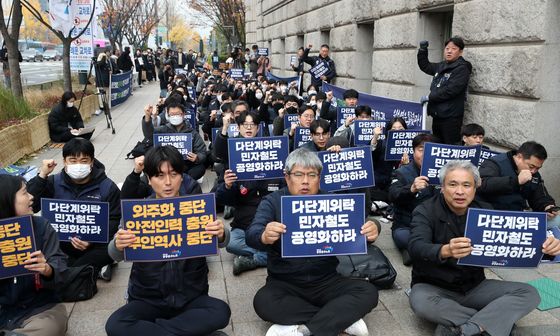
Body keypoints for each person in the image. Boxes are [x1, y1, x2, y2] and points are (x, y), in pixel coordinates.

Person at [408, 160, 560, 336]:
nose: (459, 191)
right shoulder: (425, 210)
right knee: (420, 303)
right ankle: (492, 324)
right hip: (433, 286)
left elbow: (514, 241)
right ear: (442, 187)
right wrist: (445, 250)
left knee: (529, 293)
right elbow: (416, 246)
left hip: (475, 286)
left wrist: (548, 248)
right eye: (452, 184)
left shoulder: (485, 210)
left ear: (475, 187)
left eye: (466, 185)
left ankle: (466, 329)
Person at [246, 148, 379, 336]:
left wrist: (374, 227)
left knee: (368, 292)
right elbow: (251, 234)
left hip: (327, 281)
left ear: (320, 177)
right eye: (298, 175)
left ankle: (304, 329)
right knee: (263, 301)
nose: (305, 181)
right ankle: (340, 321)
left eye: (312, 175)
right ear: (287, 177)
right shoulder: (272, 201)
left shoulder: (331, 200)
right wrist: (263, 236)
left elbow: (363, 223)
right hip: (285, 282)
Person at [105, 146, 231, 336]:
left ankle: (157, 331)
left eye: (173, 174)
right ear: (149, 179)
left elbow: (223, 241)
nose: (168, 183)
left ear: (182, 176)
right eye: (159, 176)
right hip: (147, 300)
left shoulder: (196, 207)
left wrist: (221, 233)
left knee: (221, 312)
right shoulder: (138, 212)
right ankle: (187, 331)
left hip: (191, 297)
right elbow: (114, 254)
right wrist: (118, 244)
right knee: (115, 325)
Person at [27, 138, 121, 281]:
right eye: (73, 160)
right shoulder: (52, 182)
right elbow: (31, 205)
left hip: (94, 246)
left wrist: (92, 240)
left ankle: (71, 270)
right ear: (64, 161)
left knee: (111, 249)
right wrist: (42, 175)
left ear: (92, 162)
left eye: (84, 161)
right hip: (60, 245)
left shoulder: (107, 187)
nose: (78, 165)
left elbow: (115, 220)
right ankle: (88, 269)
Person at [0, 175, 68, 336]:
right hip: (3, 310)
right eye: (25, 193)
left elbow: (60, 269)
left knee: (50, 327)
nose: (32, 197)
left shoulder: (41, 226)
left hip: (39, 309)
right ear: (6, 199)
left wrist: (47, 270)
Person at [477, 141, 558, 225]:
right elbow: (483, 184)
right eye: (531, 166)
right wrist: (516, 181)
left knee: (556, 221)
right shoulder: (495, 163)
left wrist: (547, 206)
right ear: (519, 157)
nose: (533, 171)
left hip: (518, 217)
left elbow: (539, 195)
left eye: (538, 168)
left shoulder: (534, 174)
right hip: (491, 214)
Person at [388, 133, 438, 265]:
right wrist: (411, 189)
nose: (425, 154)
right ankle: (425, 251)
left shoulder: (446, 174)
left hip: (436, 226)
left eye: (430, 150)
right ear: (413, 151)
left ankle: (416, 251)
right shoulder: (402, 172)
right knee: (402, 236)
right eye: (421, 150)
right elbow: (393, 195)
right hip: (408, 225)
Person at [418, 36, 472, 145]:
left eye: (453, 49)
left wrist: (430, 97)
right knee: (437, 144)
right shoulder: (442, 65)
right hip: (437, 115)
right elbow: (426, 66)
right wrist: (422, 51)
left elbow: (451, 90)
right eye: (447, 48)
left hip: (451, 118)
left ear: (460, 52)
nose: (449, 51)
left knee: (450, 146)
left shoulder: (462, 68)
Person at [142, 102, 208, 180]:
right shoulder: (162, 130)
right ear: (168, 116)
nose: (175, 116)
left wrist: (197, 157)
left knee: (200, 168)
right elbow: (149, 135)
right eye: (172, 114)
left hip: (185, 166)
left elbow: (202, 152)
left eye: (177, 114)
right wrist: (147, 116)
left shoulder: (192, 133)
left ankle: (183, 182)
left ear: (183, 114)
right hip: (164, 165)